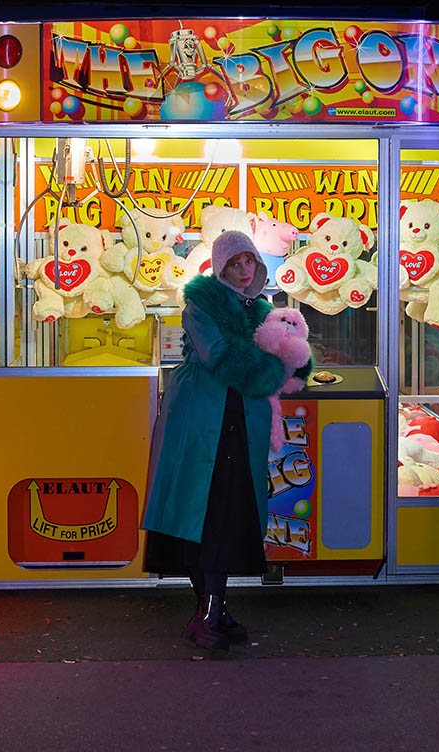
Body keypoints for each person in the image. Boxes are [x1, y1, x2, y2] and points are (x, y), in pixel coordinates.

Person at [143, 231, 312, 651]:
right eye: (235, 263)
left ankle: (211, 609)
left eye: (249, 261)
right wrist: (276, 368)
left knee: (225, 516)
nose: (244, 270)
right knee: (207, 516)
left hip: (239, 423)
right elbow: (221, 356)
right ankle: (209, 611)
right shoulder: (201, 304)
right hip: (201, 424)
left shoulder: (260, 310)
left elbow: (289, 356)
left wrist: (295, 362)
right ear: (220, 267)